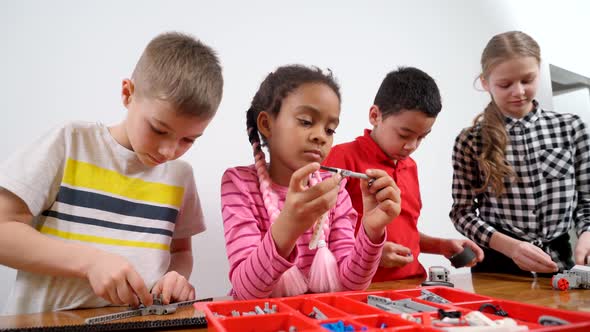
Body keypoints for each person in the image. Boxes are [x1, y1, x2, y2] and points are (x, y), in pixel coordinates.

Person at [0, 32, 223, 314]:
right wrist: (90, 262)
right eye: (158, 129)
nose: (169, 151)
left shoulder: (180, 176)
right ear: (128, 94)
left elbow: (180, 253)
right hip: (42, 322)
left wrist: (175, 277)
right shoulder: (71, 142)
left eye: (188, 140)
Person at [220, 65, 401, 299]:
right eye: (306, 121)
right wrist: (289, 225)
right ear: (266, 124)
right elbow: (247, 292)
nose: (320, 136)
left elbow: (352, 285)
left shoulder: (335, 188)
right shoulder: (238, 184)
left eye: (330, 129)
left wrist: (372, 230)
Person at [324, 67, 483, 282]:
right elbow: (316, 236)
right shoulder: (339, 159)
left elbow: (403, 232)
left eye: (422, 137)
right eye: (404, 134)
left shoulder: (410, 167)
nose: (412, 145)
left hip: (412, 282)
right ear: (375, 116)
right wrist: (371, 253)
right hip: (363, 287)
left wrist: (441, 245)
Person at [450, 31, 590, 275]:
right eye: (505, 85)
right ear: (485, 82)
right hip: (498, 267)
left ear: (539, 70)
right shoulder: (470, 140)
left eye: (527, 80)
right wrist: (510, 246)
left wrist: (587, 233)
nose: (518, 91)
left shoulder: (571, 127)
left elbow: (587, 200)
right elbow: (461, 213)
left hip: (562, 263)